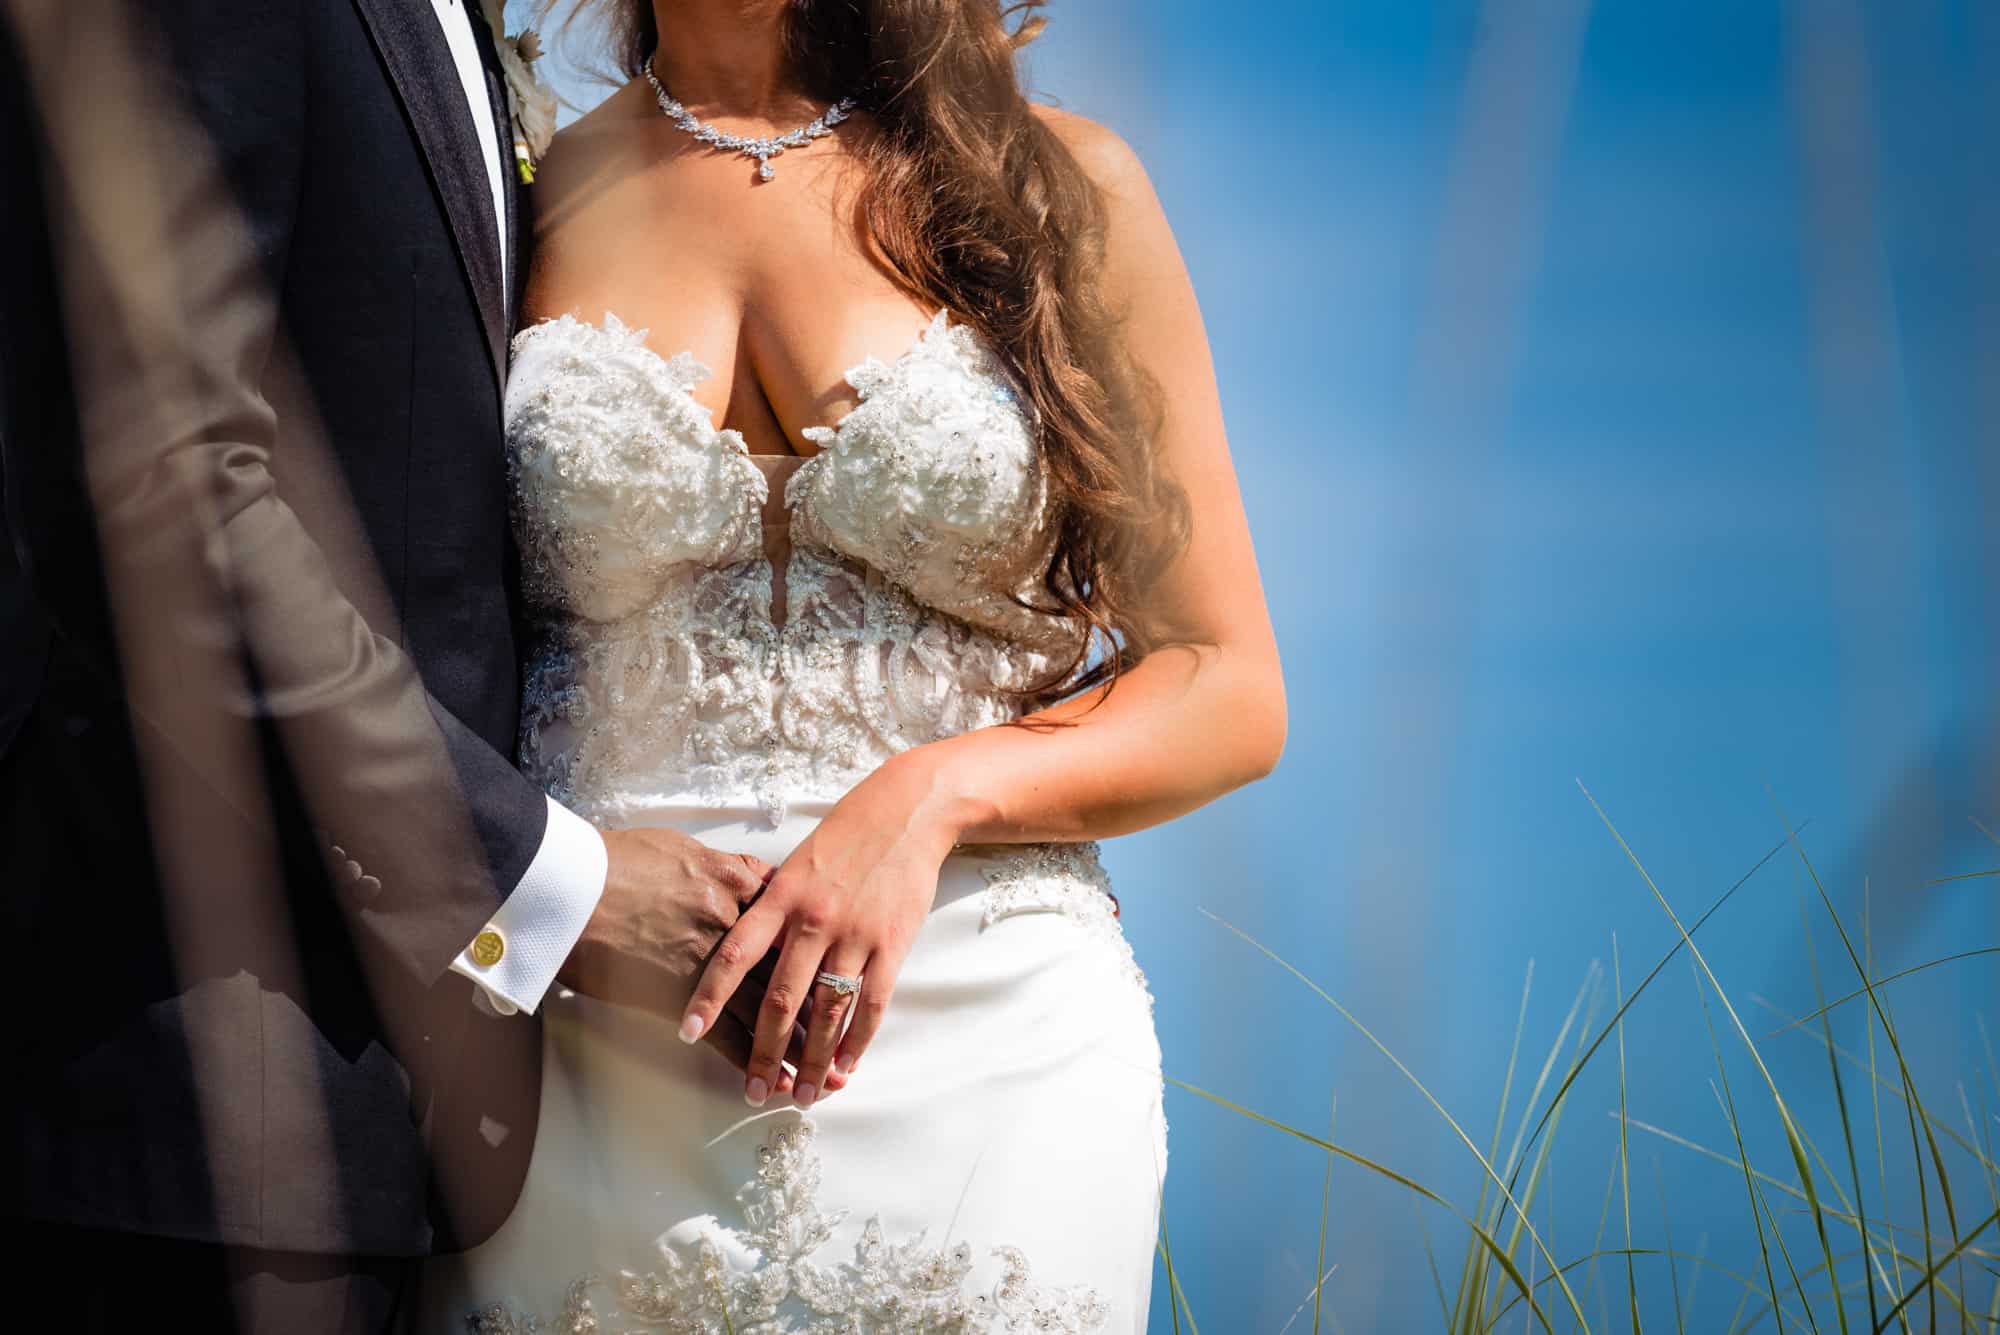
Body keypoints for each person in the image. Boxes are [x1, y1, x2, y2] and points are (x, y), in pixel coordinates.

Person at [416, 0, 1286, 1329]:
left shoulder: (1054, 185)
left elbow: (1228, 684)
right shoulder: (525, 185)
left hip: (987, 1034)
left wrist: (931, 797)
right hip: (593, 1039)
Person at [0, 0, 790, 1328]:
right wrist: (542, 878)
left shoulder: (475, 43)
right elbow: (164, 492)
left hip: (406, 1127)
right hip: (175, 1106)